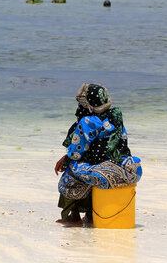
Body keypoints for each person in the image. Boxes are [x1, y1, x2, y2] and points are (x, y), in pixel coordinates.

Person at [54, 83, 142, 226]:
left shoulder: (88, 121)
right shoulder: (115, 116)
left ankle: (74, 215)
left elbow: (76, 152)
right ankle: (90, 215)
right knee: (91, 165)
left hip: (106, 174)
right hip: (130, 170)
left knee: (72, 171)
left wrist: (66, 159)